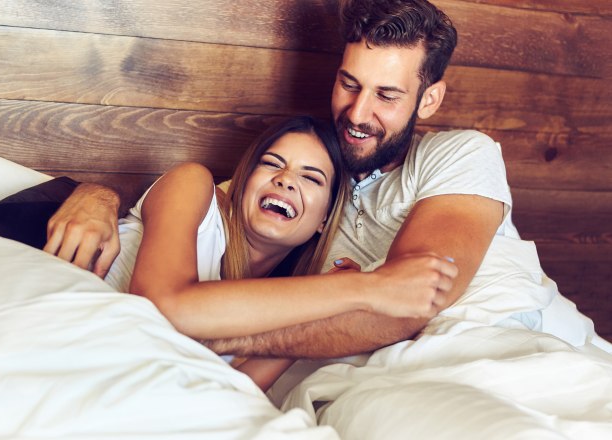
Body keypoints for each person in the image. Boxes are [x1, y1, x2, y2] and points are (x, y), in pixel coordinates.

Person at [45, 0, 512, 361]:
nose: (357, 111)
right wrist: (97, 193)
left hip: (493, 347)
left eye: (386, 95)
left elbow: (412, 298)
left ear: (429, 100)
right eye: (349, 84)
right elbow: (195, 204)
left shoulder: (460, 154)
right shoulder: (295, 200)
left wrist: (218, 338)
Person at [48, 115, 457, 390]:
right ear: (243, 183)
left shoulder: (273, 303)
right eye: (272, 164)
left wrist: (325, 308)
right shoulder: (194, 188)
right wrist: (366, 288)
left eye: (311, 177)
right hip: (57, 349)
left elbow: (233, 393)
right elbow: (163, 307)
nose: (285, 180)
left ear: (323, 220)